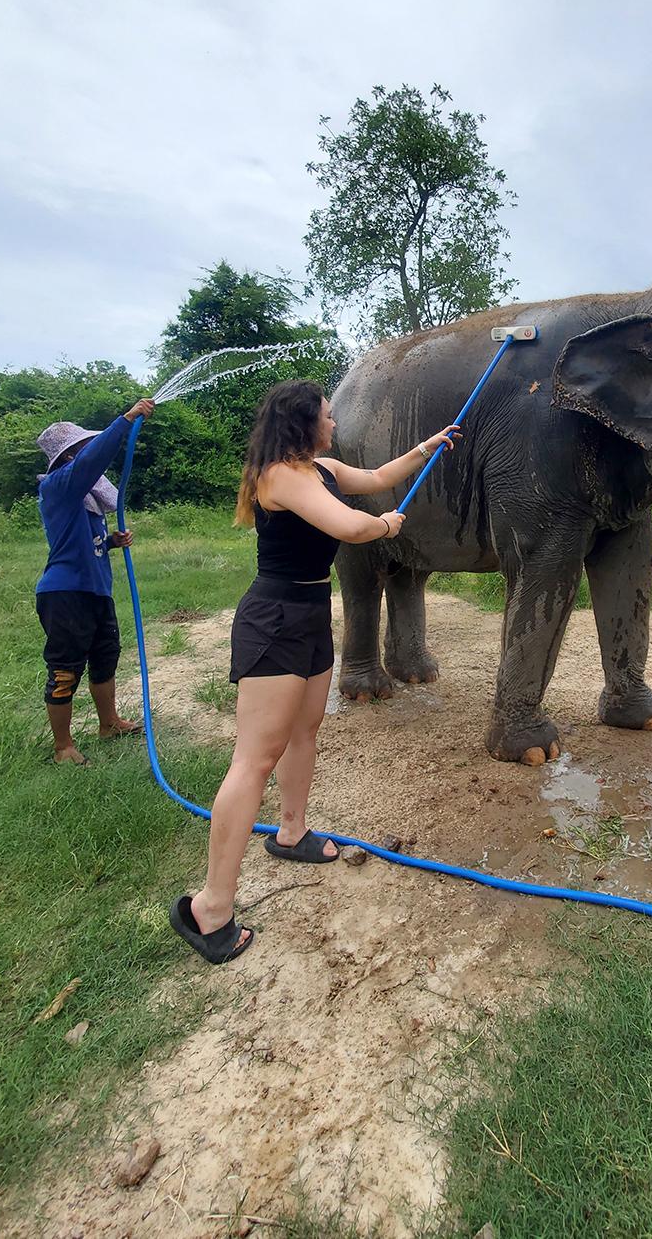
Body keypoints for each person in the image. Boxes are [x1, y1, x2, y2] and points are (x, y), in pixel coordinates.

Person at [170, 379, 461, 965]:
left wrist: (427, 446)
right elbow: (351, 527)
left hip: (306, 613)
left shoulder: (321, 468)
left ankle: (292, 832)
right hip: (273, 618)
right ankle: (210, 907)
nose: (335, 424)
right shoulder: (277, 476)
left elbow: (379, 479)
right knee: (255, 758)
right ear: (305, 423)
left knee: (305, 733)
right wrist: (384, 529)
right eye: (328, 416)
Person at [35, 399, 155, 765]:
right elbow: (93, 461)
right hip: (65, 594)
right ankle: (63, 748)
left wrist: (111, 542)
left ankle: (109, 723)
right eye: (82, 447)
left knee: (105, 657)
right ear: (69, 456)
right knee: (66, 668)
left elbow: (80, 541)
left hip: (96, 591)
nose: (89, 451)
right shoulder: (59, 486)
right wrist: (126, 420)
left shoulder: (83, 500)